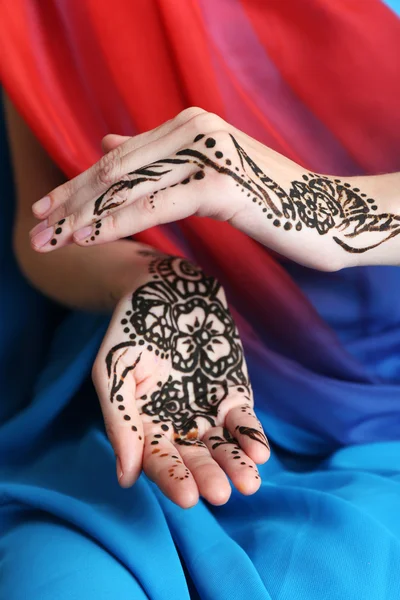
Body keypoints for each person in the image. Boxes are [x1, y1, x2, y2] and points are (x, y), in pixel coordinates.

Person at [1, 1, 400, 599]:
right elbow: (46, 229)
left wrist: (326, 209)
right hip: (160, 381)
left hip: (384, 412)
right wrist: (158, 280)